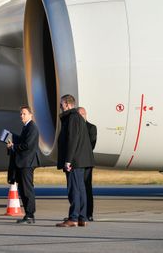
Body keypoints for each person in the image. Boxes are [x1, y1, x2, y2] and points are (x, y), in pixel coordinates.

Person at [56, 95, 95, 227]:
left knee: (74, 190)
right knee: (81, 189)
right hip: (81, 160)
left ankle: (73, 218)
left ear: (67, 104)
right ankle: (81, 217)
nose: (60, 107)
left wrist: (68, 160)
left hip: (75, 161)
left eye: (61, 105)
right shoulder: (78, 117)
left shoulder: (72, 118)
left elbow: (72, 140)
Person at [6, 106, 41, 224]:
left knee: (27, 189)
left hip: (27, 163)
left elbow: (27, 145)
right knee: (22, 189)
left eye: (24, 114)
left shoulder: (32, 127)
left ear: (31, 115)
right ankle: (28, 214)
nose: (22, 116)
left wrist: (13, 146)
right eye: (21, 114)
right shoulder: (26, 127)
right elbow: (22, 141)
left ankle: (30, 215)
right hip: (23, 163)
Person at [78, 107, 97, 221]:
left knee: (87, 188)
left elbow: (91, 145)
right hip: (78, 162)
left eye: (82, 114)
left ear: (85, 115)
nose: (81, 116)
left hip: (87, 162)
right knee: (78, 188)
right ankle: (80, 213)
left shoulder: (91, 127)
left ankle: (89, 213)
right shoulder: (76, 128)